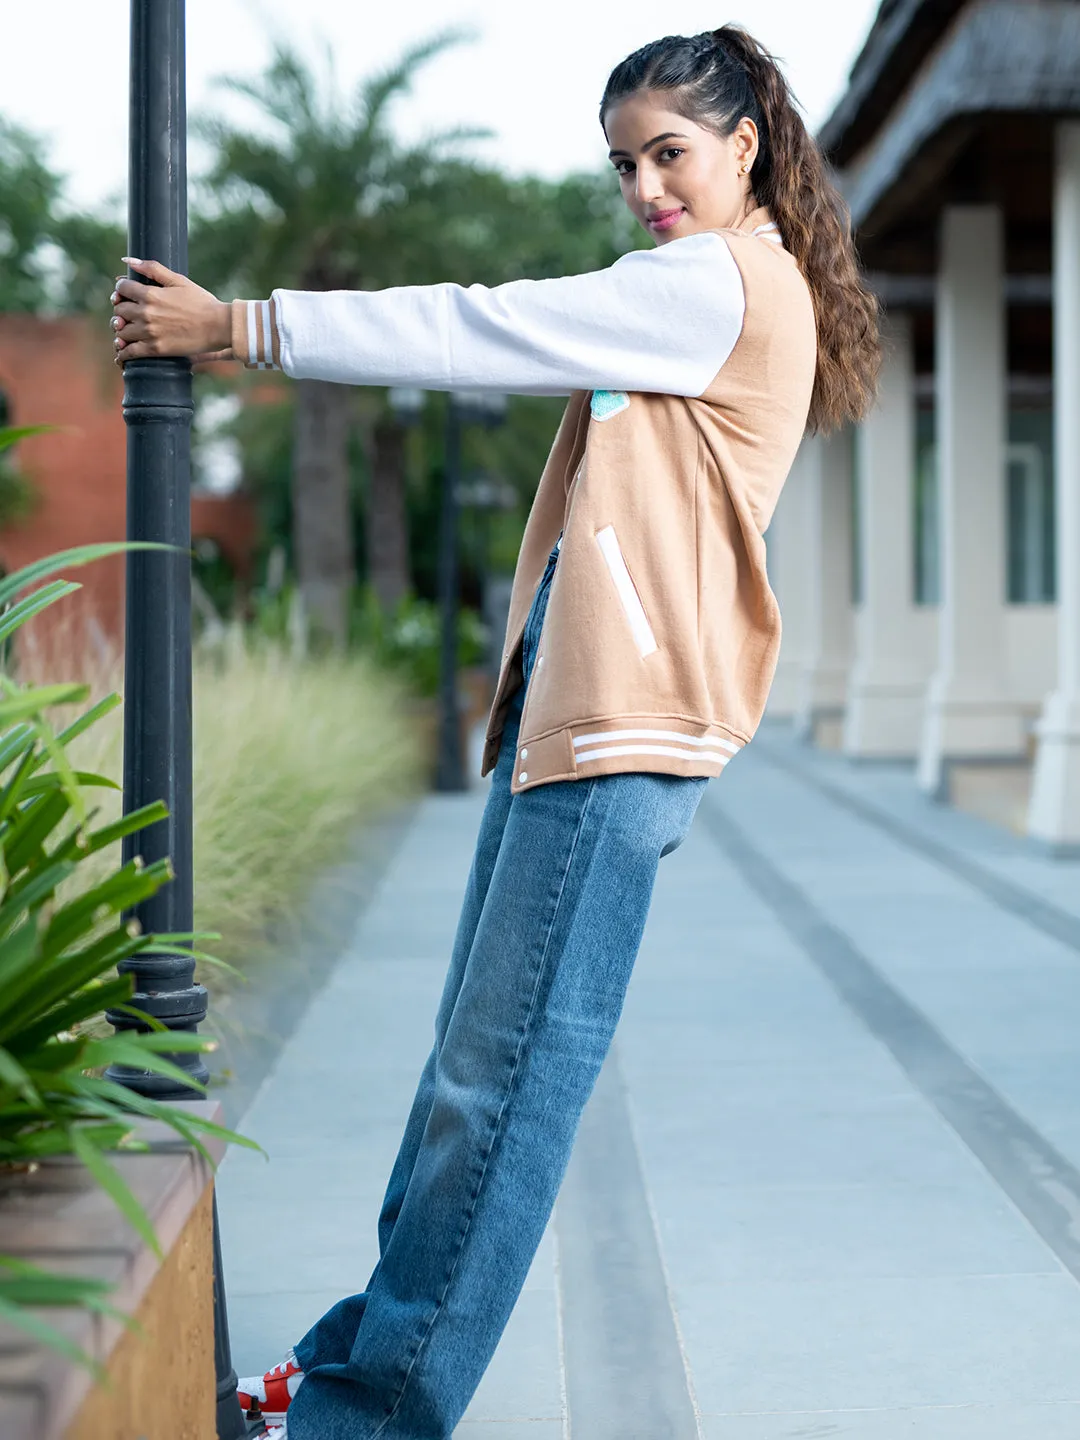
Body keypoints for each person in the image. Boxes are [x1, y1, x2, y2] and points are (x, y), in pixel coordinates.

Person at [111, 25, 879, 1440]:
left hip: (621, 736)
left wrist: (239, 329)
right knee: (468, 1079)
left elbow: (481, 319)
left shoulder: (712, 281)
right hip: (577, 722)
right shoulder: (717, 278)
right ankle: (356, 1369)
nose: (647, 187)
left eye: (671, 154)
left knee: (501, 1091)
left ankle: (370, 1417)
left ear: (747, 148)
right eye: (626, 164)